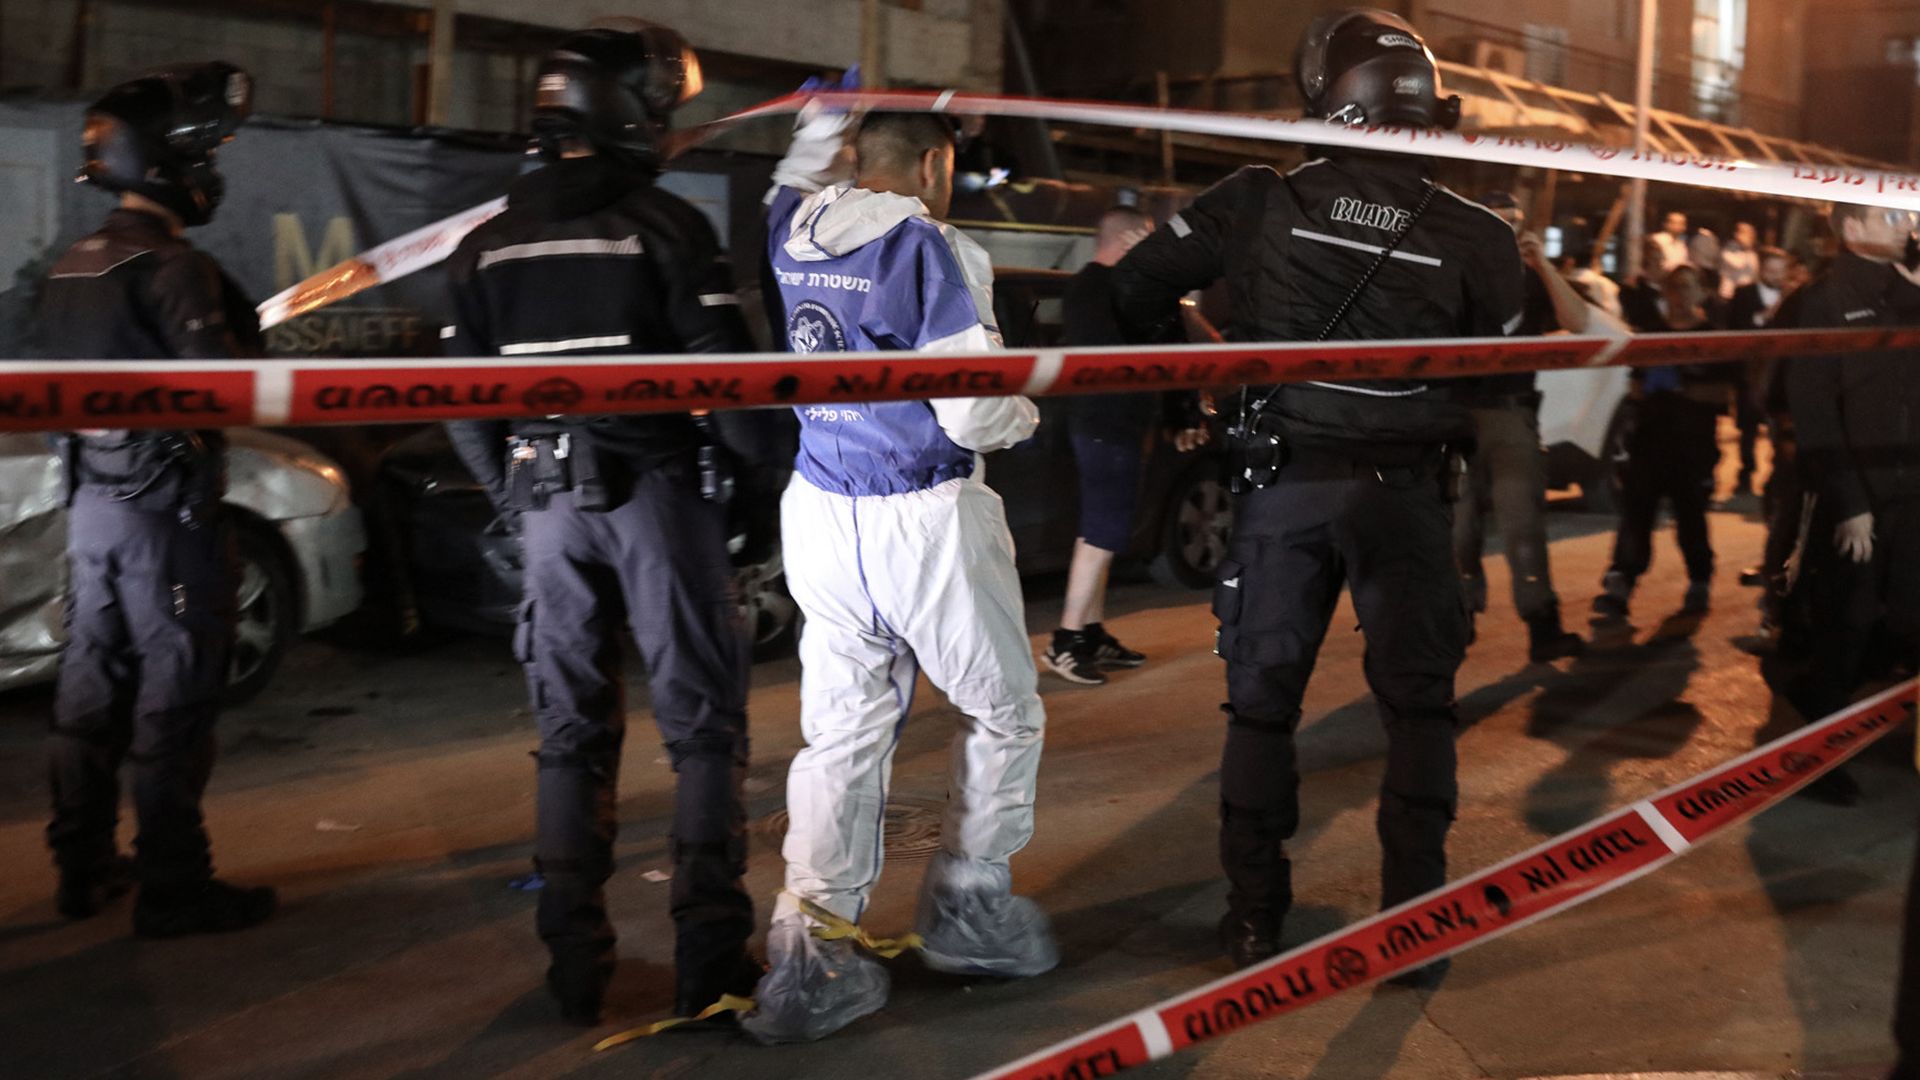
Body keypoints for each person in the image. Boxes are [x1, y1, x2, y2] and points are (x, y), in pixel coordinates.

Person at [1111, 9, 1521, 984]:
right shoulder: (1481, 235)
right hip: (1412, 498)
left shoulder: (1261, 200)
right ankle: (1414, 938)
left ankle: (1255, 923)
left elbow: (1128, 292)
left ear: (1327, 104)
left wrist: (1198, 372)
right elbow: (1505, 388)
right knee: (1419, 715)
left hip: (1283, 488)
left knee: (1261, 714)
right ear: (1432, 110)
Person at [443, 24, 779, 1025]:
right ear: (627, 115)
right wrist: (761, 494)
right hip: (657, 502)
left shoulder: (484, 244)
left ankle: (574, 971)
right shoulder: (665, 226)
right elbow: (730, 391)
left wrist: (514, 496)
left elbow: (464, 409)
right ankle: (711, 962)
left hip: (545, 509)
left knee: (568, 737)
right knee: (703, 732)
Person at [745, 108, 1056, 1044]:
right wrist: (1027, 414)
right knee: (1002, 710)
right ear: (931, 164)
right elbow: (972, 412)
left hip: (820, 508)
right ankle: (967, 907)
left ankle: (811, 949)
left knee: (840, 733)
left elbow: (785, 184)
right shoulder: (929, 248)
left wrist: (814, 125)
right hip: (924, 519)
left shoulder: (794, 232)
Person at [35, 63, 278, 938]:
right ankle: (177, 884)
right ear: (165, 163)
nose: (215, 166)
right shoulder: (175, 267)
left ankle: (83, 864)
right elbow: (224, 392)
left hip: (90, 513)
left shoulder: (76, 261)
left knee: (91, 687)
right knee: (175, 693)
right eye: (205, 150)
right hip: (163, 517)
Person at [1775, 202, 1920, 806]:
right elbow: (1813, 413)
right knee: (1847, 624)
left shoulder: (1909, 289)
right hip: (1855, 494)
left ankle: (1822, 695)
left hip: (1913, 488)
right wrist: (1851, 503)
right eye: (1893, 216)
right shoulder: (1824, 299)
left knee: (1908, 618)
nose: (1910, 224)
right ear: (1853, 229)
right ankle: (1816, 756)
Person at [1045, 204, 1187, 685]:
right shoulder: (1090, 288)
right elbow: (1111, 355)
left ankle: (1090, 631)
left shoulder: (1133, 289)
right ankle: (1065, 641)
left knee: (1103, 530)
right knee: (1104, 531)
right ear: (1128, 238)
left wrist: (1178, 414)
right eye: (1148, 238)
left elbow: (1173, 348)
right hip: (1103, 422)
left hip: (1125, 422)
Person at [1452, 193, 1584, 663]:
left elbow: (1579, 323)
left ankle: (1542, 625)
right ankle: (1457, 620)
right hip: (1459, 412)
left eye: (1514, 223)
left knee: (1523, 523)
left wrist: (1544, 268)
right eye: (1497, 222)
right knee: (1457, 526)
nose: (1506, 231)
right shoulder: (1457, 270)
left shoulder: (1530, 277)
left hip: (1511, 412)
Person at [1593, 264, 1731, 620]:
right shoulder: (1651, 335)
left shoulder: (1711, 336)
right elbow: (1636, 387)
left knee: (1690, 518)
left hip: (1693, 447)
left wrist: (1681, 386)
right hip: (1649, 443)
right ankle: (1620, 584)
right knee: (1636, 515)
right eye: (1674, 288)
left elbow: (1721, 394)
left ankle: (1699, 581)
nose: (1680, 296)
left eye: (1687, 288)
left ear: (1702, 293)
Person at [1728, 246, 1791, 497]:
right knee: (1748, 426)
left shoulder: (1791, 295)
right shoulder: (1743, 294)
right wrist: (1763, 316)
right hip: (1749, 370)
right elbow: (1735, 327)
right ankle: (1746, 473)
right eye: (1770, 270)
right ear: (1761, 269)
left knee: (1778, 425)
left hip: (1778, 371)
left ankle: (1775, 475)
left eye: (1780, 271)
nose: (1775, 276)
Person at [1719, 221, 1761, 301]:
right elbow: (1738, 264)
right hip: (1729, 293)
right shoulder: (1729, 248)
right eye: (1746, 233)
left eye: (1751, 234)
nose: (1750, 237)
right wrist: (1745, 248)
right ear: (1737, 234)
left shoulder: (1752, 253)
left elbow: (1754, 272)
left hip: (1746, 293)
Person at [1650, 210, 1693, 277]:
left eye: (1682, 223)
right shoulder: (1657, 240)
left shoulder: (1681, 245)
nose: (1680, 226)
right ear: (1666, 224)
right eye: (1675, 223)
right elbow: (1659, 266)